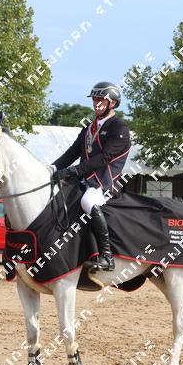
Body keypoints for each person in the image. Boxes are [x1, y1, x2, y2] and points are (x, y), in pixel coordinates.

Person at [51, 82, 131, 271]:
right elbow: (72, 153)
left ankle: (107, 256)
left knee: (88, 202)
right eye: (94, 99)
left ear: (112, 103)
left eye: (101, 100)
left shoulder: (119, 127)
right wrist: (52, 168)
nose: (96, 103)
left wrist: (73, 171)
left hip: (105, 181)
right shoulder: (89, 127)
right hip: (84, 179)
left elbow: (104, 158)